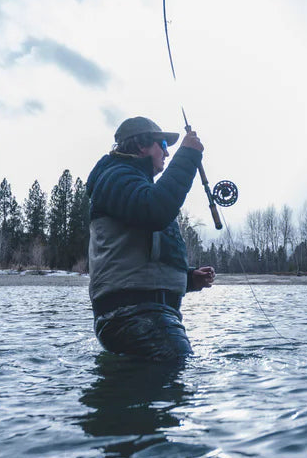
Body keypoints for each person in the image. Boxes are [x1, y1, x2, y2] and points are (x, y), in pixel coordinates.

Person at [85, 116, 217, 361]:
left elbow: (145, 252)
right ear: (142, 145)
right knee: (175, 372)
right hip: (132, 316)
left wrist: (188, 278)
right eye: (163, 146)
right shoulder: (115, 177)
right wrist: (187, 156)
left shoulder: (135, 186)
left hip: (145, 315)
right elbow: (155, 211)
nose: (167, 153)